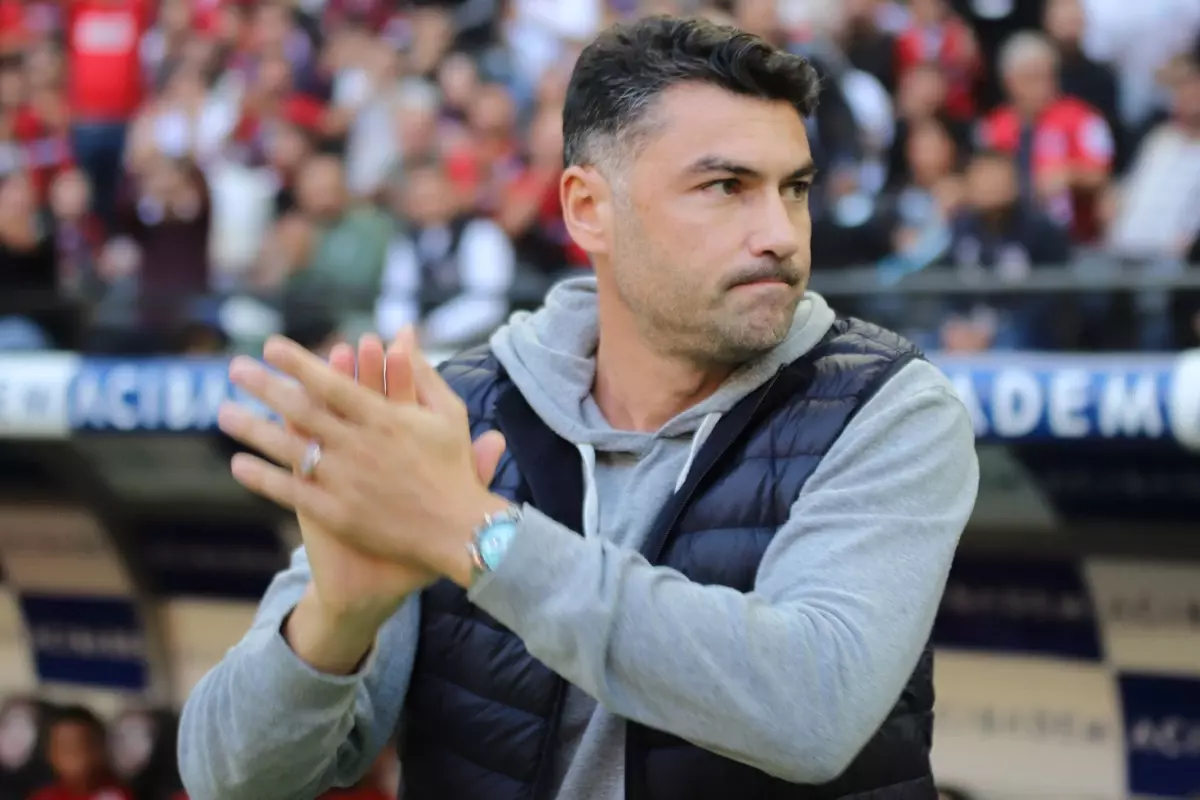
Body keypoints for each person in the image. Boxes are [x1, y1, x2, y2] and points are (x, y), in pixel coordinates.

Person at [182, 15, 979, 800]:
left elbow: (813, 711)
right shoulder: (451, 412)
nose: (780, 233)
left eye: (794, 189)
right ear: (588, 208)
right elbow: (225, 778)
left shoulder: (888, 407)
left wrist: (478, 536)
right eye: (726, 187)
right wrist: (335, 622)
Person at [28, 706, 132, 800]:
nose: (71, 755)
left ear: (99, 750)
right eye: (63, 747)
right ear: (50, 754)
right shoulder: (42, 797)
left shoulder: (115, 796)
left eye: (80, 746)